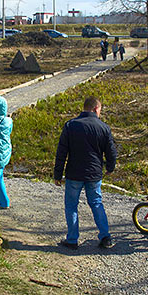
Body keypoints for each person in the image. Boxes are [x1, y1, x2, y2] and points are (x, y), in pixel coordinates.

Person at [53, 96, 117, 249]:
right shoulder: (103, 127)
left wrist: (57, 174)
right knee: (96, 203)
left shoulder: (70, 125)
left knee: (71, 206)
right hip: (94, 173)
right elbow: (111, 152)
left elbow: (61, 152)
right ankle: (105, 236)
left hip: (74, 173)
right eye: (100, 110)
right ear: (96, 109)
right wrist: (110, 167)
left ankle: (73, 239)